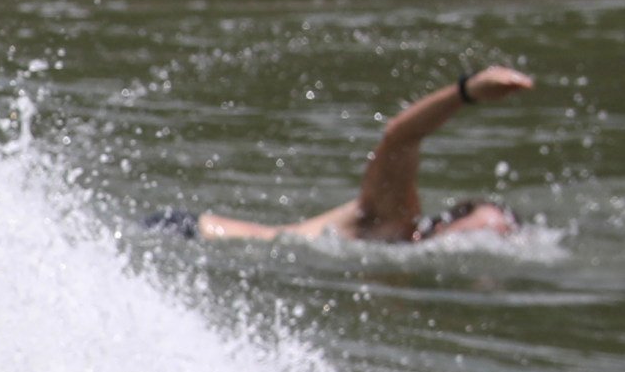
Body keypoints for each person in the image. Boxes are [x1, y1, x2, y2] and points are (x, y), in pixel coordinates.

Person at [170, 68, 533, 243]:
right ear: (445, 224)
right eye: (486, 228)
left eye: (501, 235)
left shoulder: (402, 254)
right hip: (186, 235)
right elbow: (400, 136)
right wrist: (466, 91)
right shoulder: (396, 219)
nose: (490, 237)